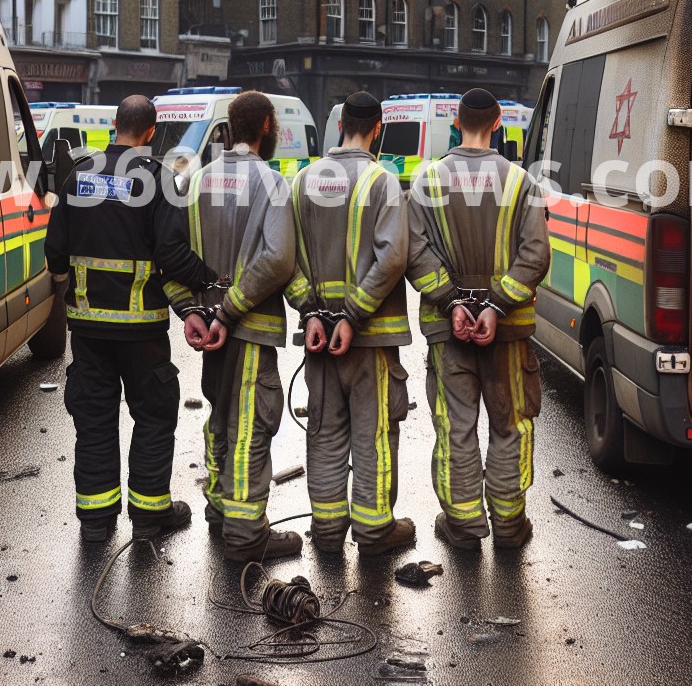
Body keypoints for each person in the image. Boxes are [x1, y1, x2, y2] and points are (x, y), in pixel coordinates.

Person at [47, 95, 220, 544]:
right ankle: (147, 516)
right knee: (154, 416)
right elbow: (171, 252)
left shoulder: (79, 175)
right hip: (141, 330)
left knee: (95, 418)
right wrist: (209, 278)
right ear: (150, 131)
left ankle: (95, 520)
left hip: (87, 330)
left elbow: (55, 250)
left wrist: (69, 281)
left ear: (115, 125)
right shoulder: (159, 180)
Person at [405, 88, 550, 549]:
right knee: (510, 424)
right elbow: (536, 253)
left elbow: (414, 252)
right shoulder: (520, 182)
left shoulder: (427, 181)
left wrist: (453, 303)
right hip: (505, 332)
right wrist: (495, 306)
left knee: (455, 425)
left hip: (450, 332)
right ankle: (509, 525)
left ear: (456, 121)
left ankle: (464, 526)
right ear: (498, 122)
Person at [165, 91, 301, 561]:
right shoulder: (272, 182)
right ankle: (246, 534)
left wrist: (193, 312)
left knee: (221, 419)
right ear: (265, 126)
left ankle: (221, 511)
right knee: (250, 427)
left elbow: (172, 255)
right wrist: (231, 311)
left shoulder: (196, 181)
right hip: (248, 329)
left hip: (209, 333)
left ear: (228, 127)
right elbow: (279, 259)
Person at [285, 91, 415, 555]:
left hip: (319, 339)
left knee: (324, 431)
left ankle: (326, 531)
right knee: (375, 433)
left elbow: (286, 260)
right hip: (371, 341)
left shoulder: (301, 181)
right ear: (377, 129)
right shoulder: (382, 181)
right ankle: (375, 531)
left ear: (340, 125)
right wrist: (355, 314)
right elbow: (393, 257)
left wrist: (313, 313)